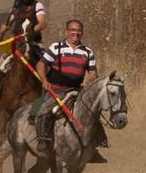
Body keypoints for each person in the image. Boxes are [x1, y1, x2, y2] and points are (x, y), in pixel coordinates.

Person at [34, 18, 98, 156]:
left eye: (79, 31)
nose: (76, 33)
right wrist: (44, 80)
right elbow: (40, 65)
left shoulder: (87, 52)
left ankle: (95, 144)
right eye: (73, 30)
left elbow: (93, 73)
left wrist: (87, 82)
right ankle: (43, 141)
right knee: (43, 111)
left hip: (77, 90)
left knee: (93, 112)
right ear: (66, 32)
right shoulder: (56, 48)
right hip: (56, 89)